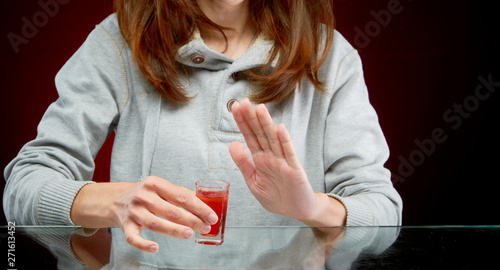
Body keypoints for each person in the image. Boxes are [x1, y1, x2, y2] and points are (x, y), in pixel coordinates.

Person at [3, 0, 402, 253]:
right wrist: (113, 202)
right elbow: (24, 186)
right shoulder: (119, 43)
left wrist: (313, 208)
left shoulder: (331, 56)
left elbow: (383, 211)